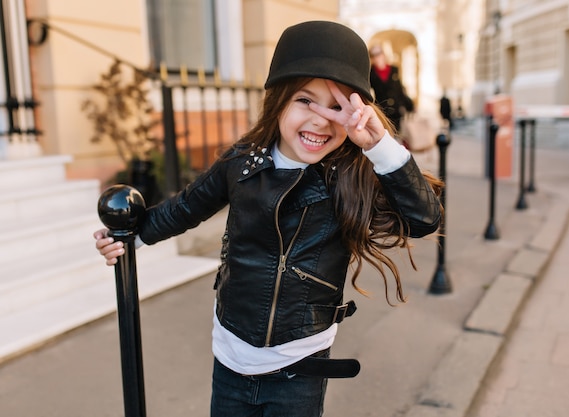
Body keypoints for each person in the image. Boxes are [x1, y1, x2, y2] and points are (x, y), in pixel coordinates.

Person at [94, 20, 442, 417]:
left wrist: (380, 146)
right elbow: (186, 207)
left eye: (337, 107)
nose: (320, 119)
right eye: (305, 100)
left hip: (301, 367)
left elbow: (424, 219)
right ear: (279, 101)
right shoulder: (241, 163)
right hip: (231, 357)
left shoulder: (351, 173)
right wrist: (129, 236)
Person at [368, 44, 414, 132]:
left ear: (383, 54)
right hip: (382, 112)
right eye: (373, 55)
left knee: (397, 137)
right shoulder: (371, 74)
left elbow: (400, 90)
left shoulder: (394, 70)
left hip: (397, 111)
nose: (377, 57)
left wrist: (409, 105)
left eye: (378, 53)